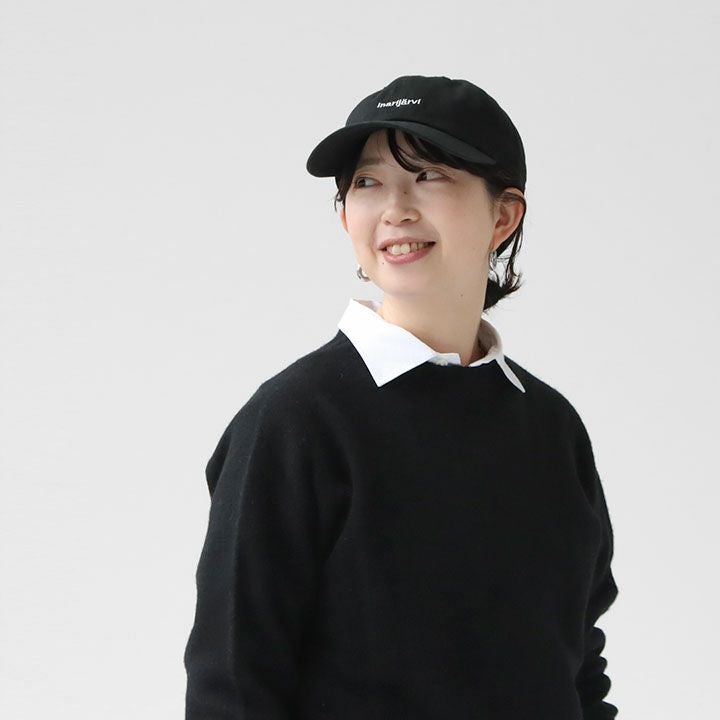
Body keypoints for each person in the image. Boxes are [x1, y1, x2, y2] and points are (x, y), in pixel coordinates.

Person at [183, 74, 620, 719]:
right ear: (344, 215)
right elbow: (233, 686)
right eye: (366, 183)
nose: (395, 208)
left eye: (428, 175)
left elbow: (577, 666)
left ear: (503, 215)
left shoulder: (552, 427)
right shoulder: (294, 421)